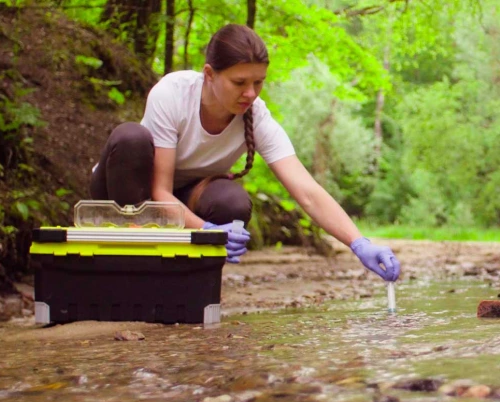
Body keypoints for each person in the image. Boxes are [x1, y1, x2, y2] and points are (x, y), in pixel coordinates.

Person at [90, 24, 401, 281]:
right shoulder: (172, 94)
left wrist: (359, 243)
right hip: (129, 192)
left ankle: (185, 285)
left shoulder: (257, 115)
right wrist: (208, 231)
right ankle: (123, 272)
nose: (250, 93)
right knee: (130, 137)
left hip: (184, 198)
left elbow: (307, 192)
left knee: (232, 201)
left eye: (258, 82)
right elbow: (159, 192)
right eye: (239, 82)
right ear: (209, 75)